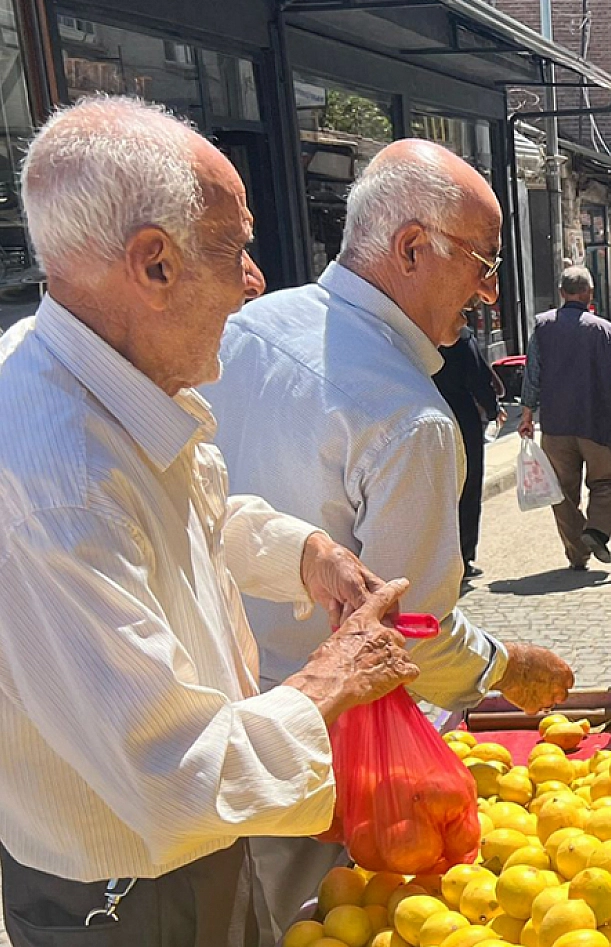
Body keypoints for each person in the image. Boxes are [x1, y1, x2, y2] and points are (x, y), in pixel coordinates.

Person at [0, 96, 423, 947]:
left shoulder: (98, 380)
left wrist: (304, 552)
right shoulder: (58, 475)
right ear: (153, 264)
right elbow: (174, 772)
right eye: (237, 250)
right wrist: (329, 680)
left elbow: (192, 514)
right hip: (131, 896)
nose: (256, 280)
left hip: (187, 862)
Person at [205, 139, 576, 941]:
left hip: (215, 735)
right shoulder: (407, 417)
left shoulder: (246, 325)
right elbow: (410, 632)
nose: (488, 292)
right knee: (330, 921)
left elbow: (210, 512)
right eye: (481, 263)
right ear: (411, 247)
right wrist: (510, 666)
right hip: (326, 763)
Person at [518, 266, 611, 570]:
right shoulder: (606, 332)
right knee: (604, 482)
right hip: (597, 423)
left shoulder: (543, 328)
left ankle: (577, 552)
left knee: (561, 491)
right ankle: (597, 531)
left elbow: (532, 374)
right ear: (590, 294)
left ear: (562, 293)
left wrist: (526, 415)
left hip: (557, 425)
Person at [434, 322, 504, 579]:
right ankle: (463, 557)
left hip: (426, 414)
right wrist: (493, 409)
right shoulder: (461, 336)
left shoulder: (417, 334)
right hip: (461, 419)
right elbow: (478, 377)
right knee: (468, 486)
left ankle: (436, 558)